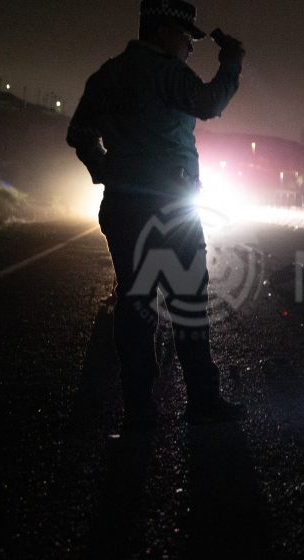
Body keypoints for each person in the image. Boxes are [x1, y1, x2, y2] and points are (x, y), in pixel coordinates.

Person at [67, 0, 246, 424]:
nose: (189, 48)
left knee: (135, 302)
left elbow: (79, 133)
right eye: (186, 38)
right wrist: (231, 64)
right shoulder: (166, 72)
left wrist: (105, 169)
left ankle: (138, 407)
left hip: (123, 206)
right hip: (170, 208)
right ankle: (202, 400)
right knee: (187, 302)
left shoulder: (109, 74)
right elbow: (208, 102)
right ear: (164, 31)